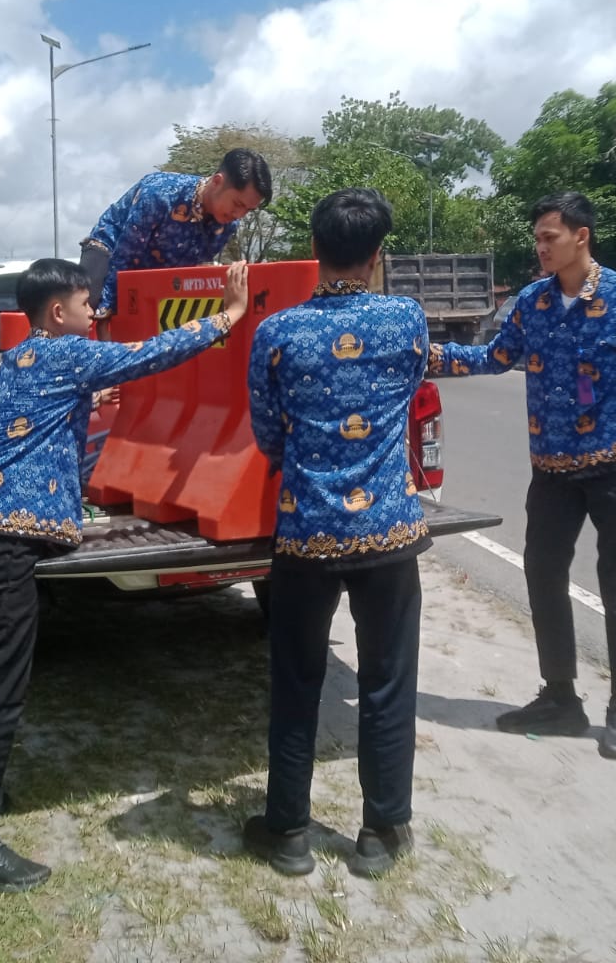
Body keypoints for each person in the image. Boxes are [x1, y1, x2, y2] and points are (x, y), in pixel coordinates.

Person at [0, 256, 251, 893]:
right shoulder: (66, 353)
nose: (96, 314)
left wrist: (88, 393)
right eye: (87, 306)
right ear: (58, 313)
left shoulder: (21, 359)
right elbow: (153, 352)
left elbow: (43, 414)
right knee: (0, 688)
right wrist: (232, 314)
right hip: (7, 539)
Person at [430, 191, 616, 761]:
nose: (541, 248)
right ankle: (561, 698)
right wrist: (429, 355)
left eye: (550, 237)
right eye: (538, 239)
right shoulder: (533, 302)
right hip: (551, 469)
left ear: (581, 237)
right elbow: (495, 358)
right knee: (542, 573)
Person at [243, 188, 431, 880]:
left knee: (296, 680)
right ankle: (382, 832)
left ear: (314, 253)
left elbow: (267, 434)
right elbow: (409, 397)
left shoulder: (277, 333)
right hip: (388, 535)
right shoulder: (406, 320)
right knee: (386, 680)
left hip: (305, 535)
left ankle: (288, 831)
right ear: (377, 255)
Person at [79, 148, 272, 317]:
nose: (239, 214)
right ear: (217, 182)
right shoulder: (159, 193)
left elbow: (188, 274)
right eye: (237, 204)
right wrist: (105, 314)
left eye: (248, 210)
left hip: (158, 271)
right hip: (112, 248)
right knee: (85, 305)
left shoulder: (228, 225)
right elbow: (124, 258)